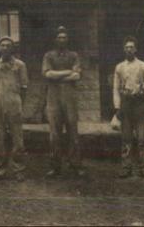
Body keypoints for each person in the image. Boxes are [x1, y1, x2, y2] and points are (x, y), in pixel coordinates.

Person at [42, 26, 85, 177]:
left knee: (73, 131)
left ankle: (75, 165)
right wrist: (68, 72)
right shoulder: (49, 56)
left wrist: (57, 75)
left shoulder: (74, 55)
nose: (61, 40)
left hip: (70, 98)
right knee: (54, 133)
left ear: (68, 39)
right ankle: (55, 166)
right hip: (53, 98)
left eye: (64, 37)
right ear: (55, 40)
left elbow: (77, 76)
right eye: (59, 37)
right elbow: (48, 74)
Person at [0, 36, 28, 181]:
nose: (5, 48)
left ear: (12, 48)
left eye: (8, 46)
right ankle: (0, 170)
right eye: (2, 45)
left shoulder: (20, 65)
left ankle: (19, 170)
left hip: (14, 102)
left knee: (17, 137)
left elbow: (24, 87)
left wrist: (15, 100)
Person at [113, 36, 144, 178]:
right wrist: (117, 107)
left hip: (140, 104)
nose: (129, 49)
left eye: (131, 47)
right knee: (126, 138)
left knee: (142, 138)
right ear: (124, 49)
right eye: (127, 47)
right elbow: (116, 89)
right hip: (126, 104)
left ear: (135, 49)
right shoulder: (119, 67)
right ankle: (126, 168)